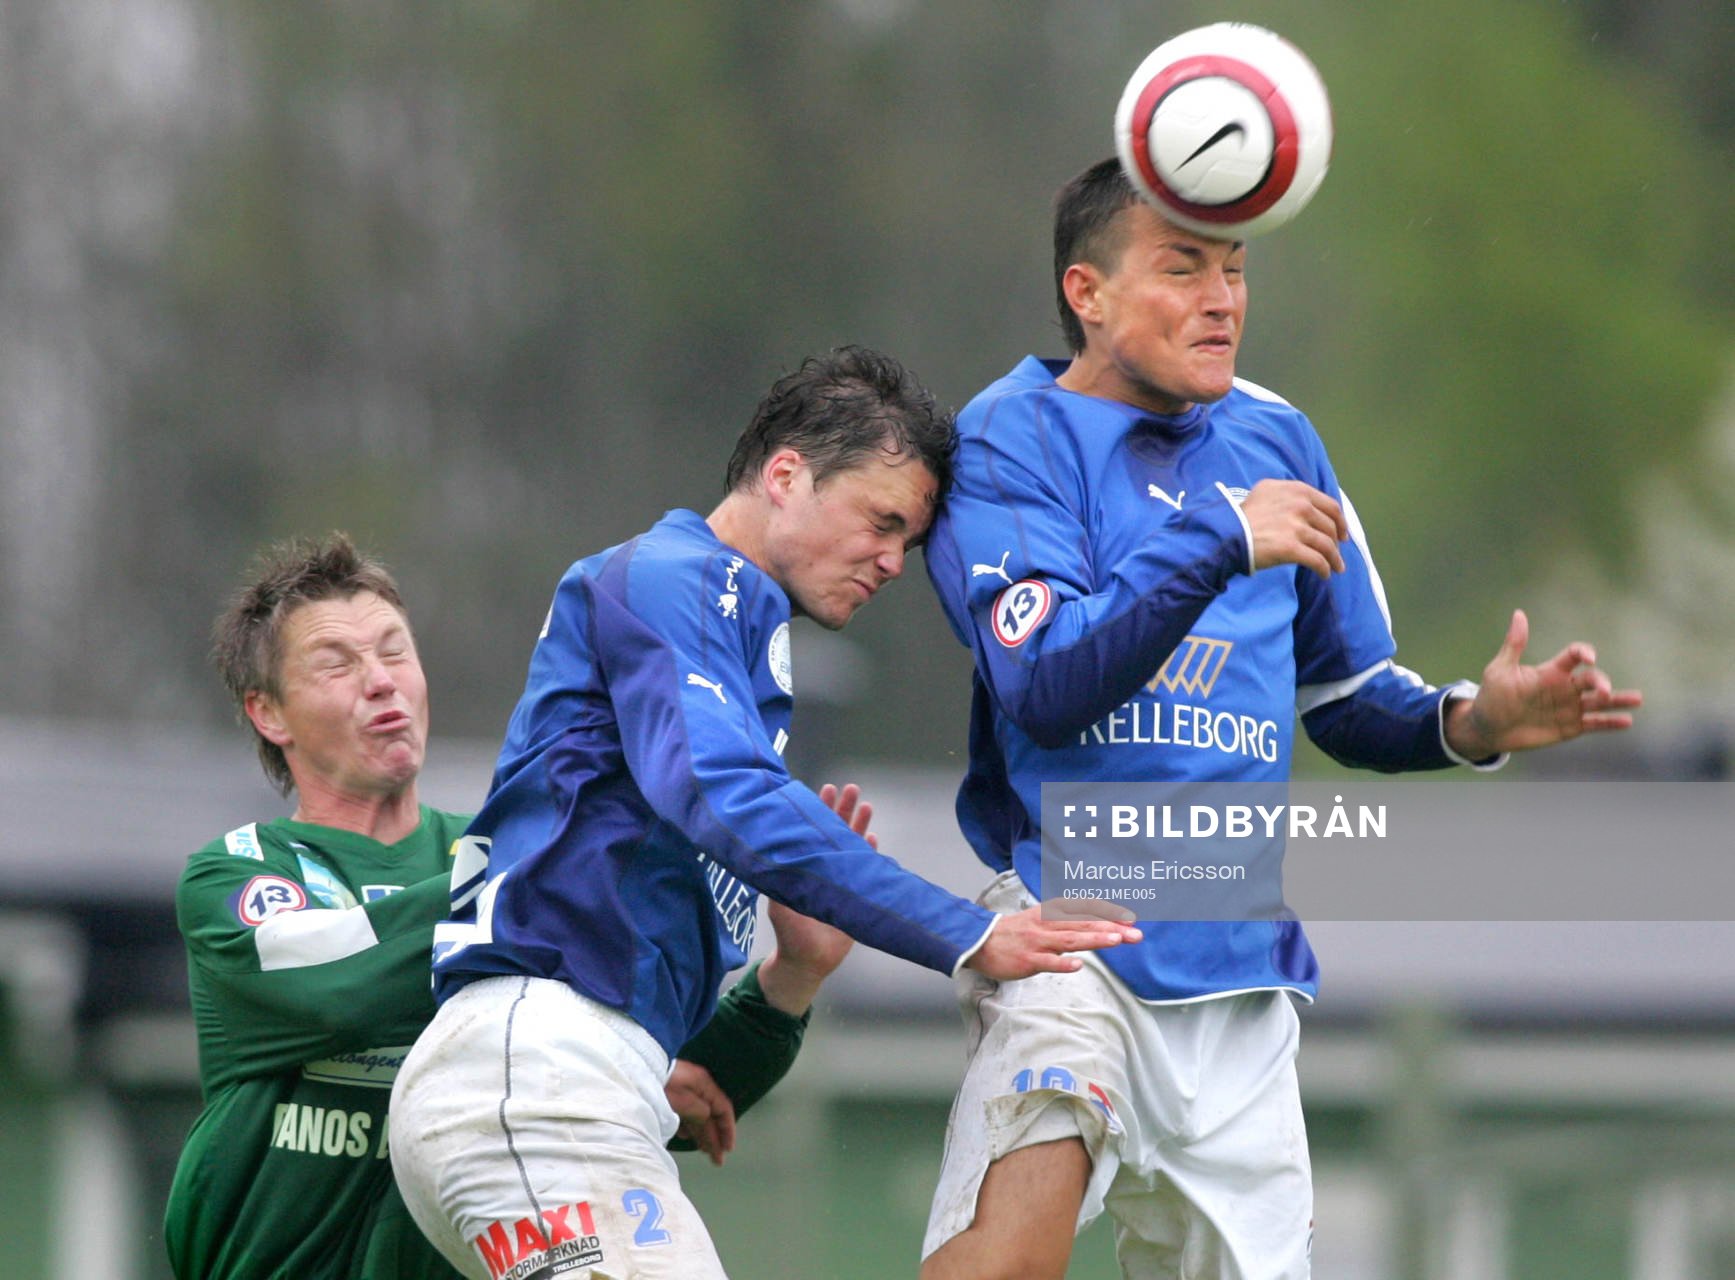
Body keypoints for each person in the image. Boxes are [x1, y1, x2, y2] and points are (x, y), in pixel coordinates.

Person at [917, 157, 1643, 1280]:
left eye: (1236, 269)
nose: (1222, 299)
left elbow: (1347, 700)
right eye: (1182, 267)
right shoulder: (1009, 437)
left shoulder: (1279, 440)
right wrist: (1220, 536)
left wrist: (1470, 719)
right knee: (1006, 1261)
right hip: (1076, 935)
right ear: (1086, 292)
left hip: (1238, 962)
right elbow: (1043, 682)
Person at [387, 345, 1144, 1280]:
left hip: (561, 1085)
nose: (893, 562)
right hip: (531, 1078)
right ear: (785, 474)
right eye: (882, 520)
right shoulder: (678, 575)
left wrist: (789, 976)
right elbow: (725, 794)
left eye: (908, 542)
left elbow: (663, 1019)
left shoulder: (731, 631)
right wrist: (965, 930)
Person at [163, 533, 863, 1280]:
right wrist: (528, 901)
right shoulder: (239, 874)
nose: (380, 682)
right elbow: (331, 984)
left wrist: (793, 974)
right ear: (269, 713)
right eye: (337, 663)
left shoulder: (510, 862)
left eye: (395, 652)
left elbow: (658, 1075)